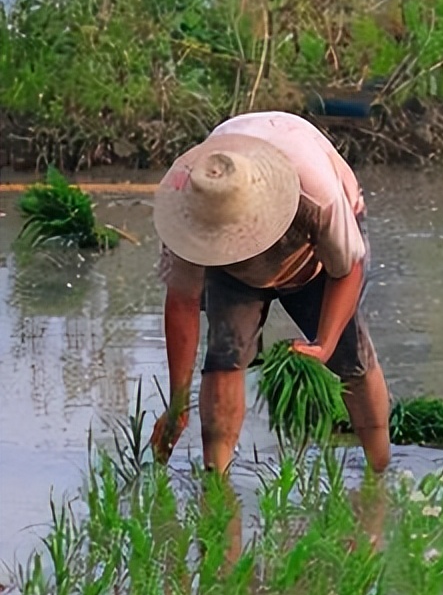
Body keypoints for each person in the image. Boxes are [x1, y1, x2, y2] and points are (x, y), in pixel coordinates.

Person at [149, 111, 391, 475]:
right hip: (231, 269)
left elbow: (347, 270)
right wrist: (177, 404)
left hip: (315, 258)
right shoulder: (189, 203)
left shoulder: (316, 192)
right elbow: (182, 302)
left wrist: (324, 344)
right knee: (224, 357)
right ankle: (216, 484)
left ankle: (380, 472)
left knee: (350, 357)